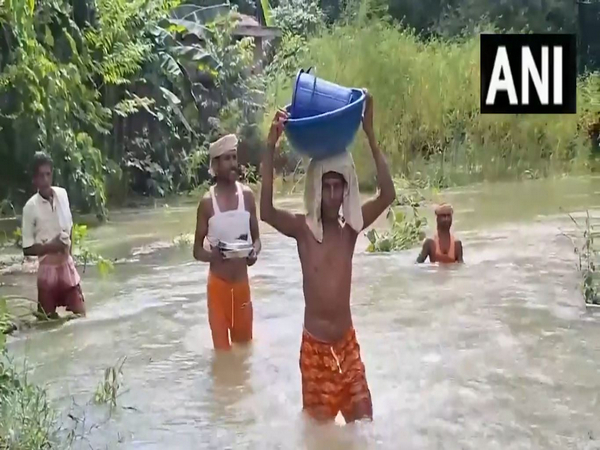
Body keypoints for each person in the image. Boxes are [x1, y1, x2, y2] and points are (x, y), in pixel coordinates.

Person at [260, 92, 396, 423]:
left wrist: (370, 134)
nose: (334, 195)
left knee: (365, 426)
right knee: (318, 435)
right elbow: (265, 211)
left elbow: (388, 194)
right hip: (315, 351)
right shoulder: (302, 230)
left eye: (339, 187)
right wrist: (270, 148)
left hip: (347, 347)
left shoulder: (350, 229)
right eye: (327, 187)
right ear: (316, 190)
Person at [193, 134, 261, 351]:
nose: (233, 163)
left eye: (234, 157)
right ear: (215, 165)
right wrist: (212, 255)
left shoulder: (248, 197)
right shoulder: (207, 203)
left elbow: (257, 239)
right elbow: (196, 250)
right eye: (227, 159)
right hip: (218, 288)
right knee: (222, 354)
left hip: (242, 287)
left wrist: (253, 253)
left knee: (245, 351)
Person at [21, 152, 86, 319]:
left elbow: (70, 226)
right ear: (34, 179)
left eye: (48, 174)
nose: (45, 180)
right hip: (47, 271)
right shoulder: (30, 207)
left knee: (81, 316)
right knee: (47, 323)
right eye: (41, 175)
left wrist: (69, 255)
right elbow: (27, 249)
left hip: (66, 267)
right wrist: (52, 246)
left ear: (52, 175)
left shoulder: (62, 195)